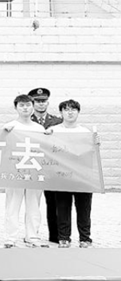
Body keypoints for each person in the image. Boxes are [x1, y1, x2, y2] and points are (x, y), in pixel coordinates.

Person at [47, 99, 95, 248]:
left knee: (84, 208)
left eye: (73, 109)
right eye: (66, 109)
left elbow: (91, 154)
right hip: (62, 175)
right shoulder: (53, 131)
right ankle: (64, 237)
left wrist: (96, 143)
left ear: (78, 112)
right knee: (62, 207)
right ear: (61, 113)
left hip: (82, 176)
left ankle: (85, 238)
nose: (70, 112)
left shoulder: (85, 132)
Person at [2, 94, 48, 248]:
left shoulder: (39, 129)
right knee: (12, 205)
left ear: (33, 107)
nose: (25, 108)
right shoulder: (10, 126)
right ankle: (10, 237)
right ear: (16, 108)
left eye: (28, 105)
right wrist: (4, 133)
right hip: (15, 172)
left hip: (34, 171)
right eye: (21, 105)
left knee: (34, 204)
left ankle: (32, 235)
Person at [29, 87, 64, 245]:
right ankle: (31, 234)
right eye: (37, 101)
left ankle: (55, 236)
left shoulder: (57, 122)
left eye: (43, 101)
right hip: (32, 166)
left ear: (48, 103)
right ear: (32, 103)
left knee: (54, 202)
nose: (41, 104)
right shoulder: (26, 121)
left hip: (51, 168)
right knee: (32, 202)